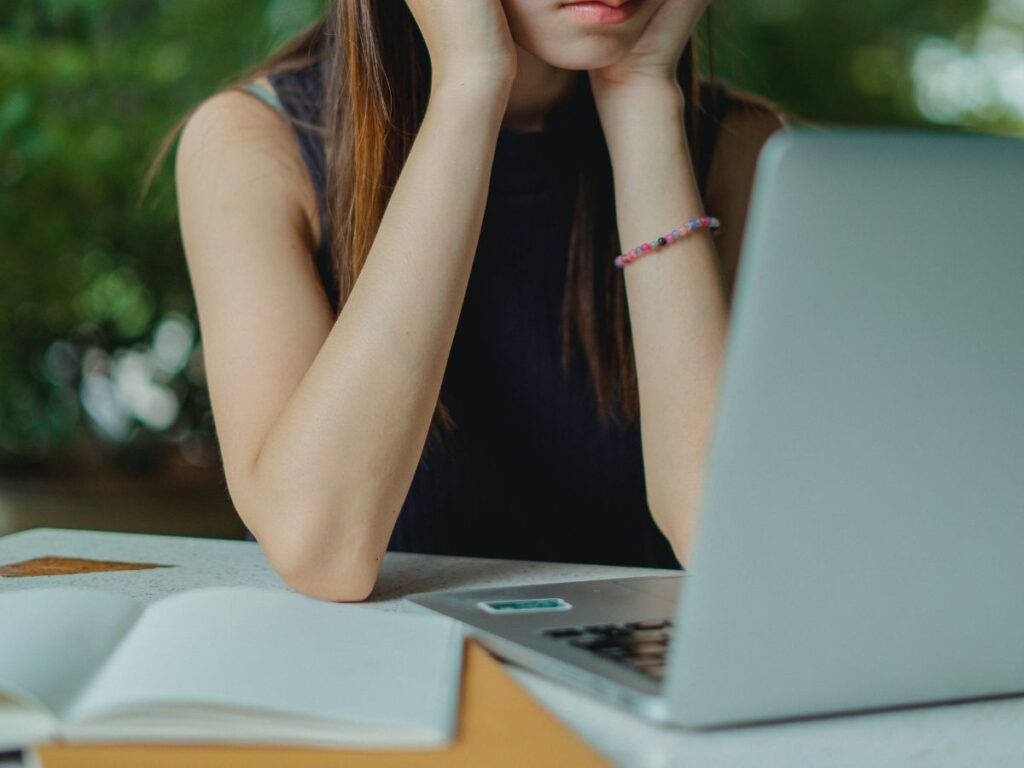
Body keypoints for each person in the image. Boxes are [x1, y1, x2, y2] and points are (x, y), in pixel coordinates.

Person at [165, 0, 791, 602]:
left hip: (629, 696)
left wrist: (646, 104)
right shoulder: (255, 144)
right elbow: (322, 552)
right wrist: (469, 85)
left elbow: (731, 549)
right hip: (372, 685)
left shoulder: (742, 151)